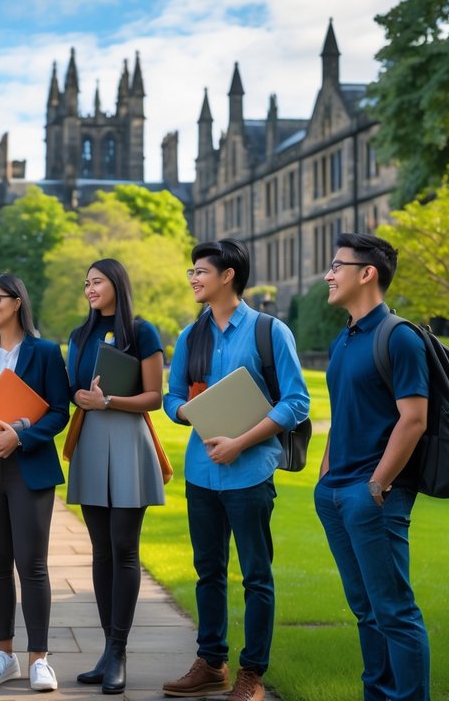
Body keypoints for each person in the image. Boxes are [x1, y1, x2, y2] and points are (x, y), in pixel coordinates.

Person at [162, 239, 309, 701]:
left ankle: (252, 673)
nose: (193, 278)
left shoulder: (270, 331)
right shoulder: (190, 336)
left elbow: (297, 401)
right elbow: (171, 398)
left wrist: (241, 441)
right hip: (202, 475)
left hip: (249, 474)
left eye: (201, 271)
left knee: (255, 575)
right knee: (207, 571)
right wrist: (190, 412)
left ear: (228, 276)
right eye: (191, 271)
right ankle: (211, 663)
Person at [314, 232, 431, 701]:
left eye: (337, 266)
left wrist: (376, 486)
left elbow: (415, 419)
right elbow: (342, 413)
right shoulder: (345, 339)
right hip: (337, 495)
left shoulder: (399, 337)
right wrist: (325, 481)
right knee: (365, 610)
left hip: (374, 497)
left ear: (367, 274)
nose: (328, 274)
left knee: (394, 611)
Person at [0, 273, 71, 692]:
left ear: (17, 302)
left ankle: (39, 659)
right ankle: (4, 654)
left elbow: (60, 411)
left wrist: (21, 435)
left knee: (32, 564)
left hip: (29, 468)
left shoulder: (44, 352)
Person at [65, 259, 165, 695]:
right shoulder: (79, 335)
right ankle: (106, 651)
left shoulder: (142, 332)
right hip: (89, 443)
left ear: (116, 285)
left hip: (128, 442)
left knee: (124, 548)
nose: (89, 289)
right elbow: (72, 387)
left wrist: (109, 402)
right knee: (101, 552)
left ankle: (120, 652)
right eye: (86, 282)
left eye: (97, 282)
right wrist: (83, 397)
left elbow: (154, 397)